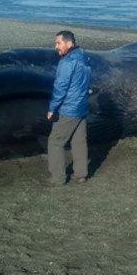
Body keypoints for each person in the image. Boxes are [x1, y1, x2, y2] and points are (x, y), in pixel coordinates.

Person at [46, 30, 92, 186]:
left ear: (69, 43)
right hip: (82, 107)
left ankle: (57, 178)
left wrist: (52, 108)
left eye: (58, 43)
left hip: (69, 108)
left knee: (55, 142)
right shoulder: (84, 57)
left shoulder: (67, 62)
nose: (56, 47)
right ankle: (80, 175)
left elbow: (60, 87)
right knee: (79, 141)